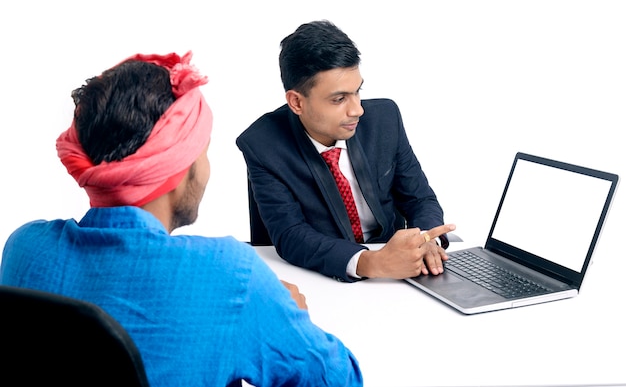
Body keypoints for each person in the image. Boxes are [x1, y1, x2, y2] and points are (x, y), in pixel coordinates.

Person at [0, 52, 363, 387]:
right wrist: (286, 317)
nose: (205, 167)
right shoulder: (230, 275)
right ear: (176, 167)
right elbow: (340, 379)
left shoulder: (24, 249)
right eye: (202, 149)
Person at [237, 20, 456, 282]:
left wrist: (427, 239)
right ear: (296, 102)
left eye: (357, 91)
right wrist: (370, 263)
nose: (357, 110)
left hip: (400, 274)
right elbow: (290, 234)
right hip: (322, 278)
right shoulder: (262, 144)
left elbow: (419, 198)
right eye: (339, 99)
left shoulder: (385, 119)